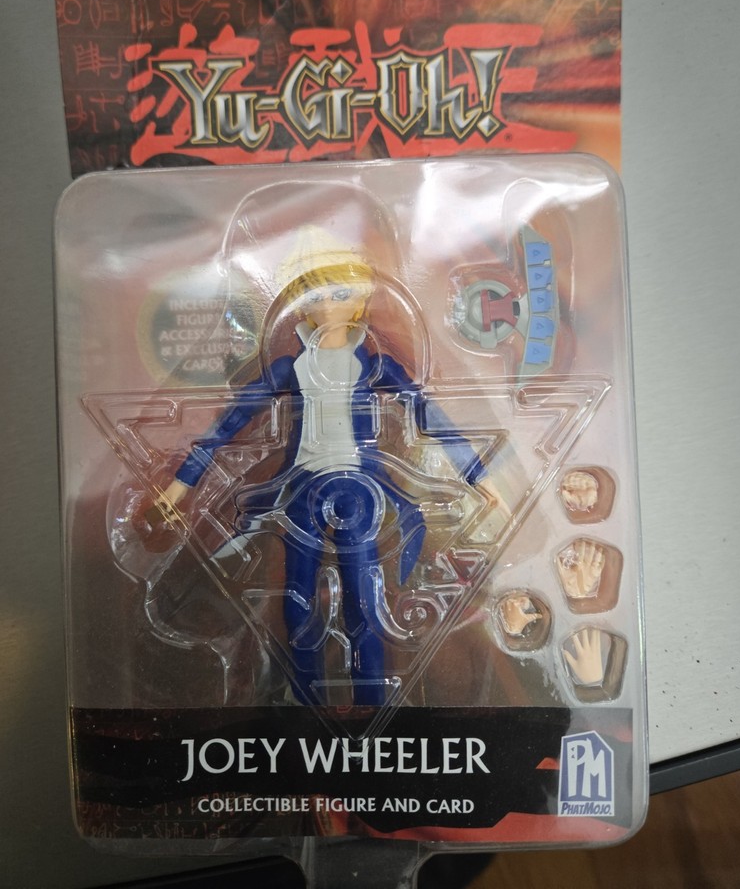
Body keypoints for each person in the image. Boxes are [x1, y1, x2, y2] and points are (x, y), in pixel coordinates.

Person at [145, 247, 508, 706]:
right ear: (302, 304)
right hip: (303, 490)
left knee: (365, 598)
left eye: (341, 294)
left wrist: (480, 477)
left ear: (361, 299)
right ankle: (304, 699)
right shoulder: (288, 368)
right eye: (316, 295)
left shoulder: (376, 366)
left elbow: (429, 416)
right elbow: (228, 425)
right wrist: (180, 484)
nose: (329, 305)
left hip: (359, 491)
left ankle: (371, 698)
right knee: (298, 599)